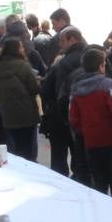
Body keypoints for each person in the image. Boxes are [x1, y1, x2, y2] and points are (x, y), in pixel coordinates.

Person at [69, 47, 112, 200]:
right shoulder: (108, 84)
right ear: (101, 66)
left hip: (91, 142)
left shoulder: (76, 89)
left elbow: (73, 119)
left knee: (99, 184)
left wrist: (87, 131)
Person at [42, 27, 89, 182]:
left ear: (72, 39)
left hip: (63, 117)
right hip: (84, 116)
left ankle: (61, 186)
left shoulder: (63, 62)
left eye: (63, 41)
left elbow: (57, 93)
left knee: (59, 158)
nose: (60, 45)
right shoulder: (91, 56)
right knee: (79, 156)